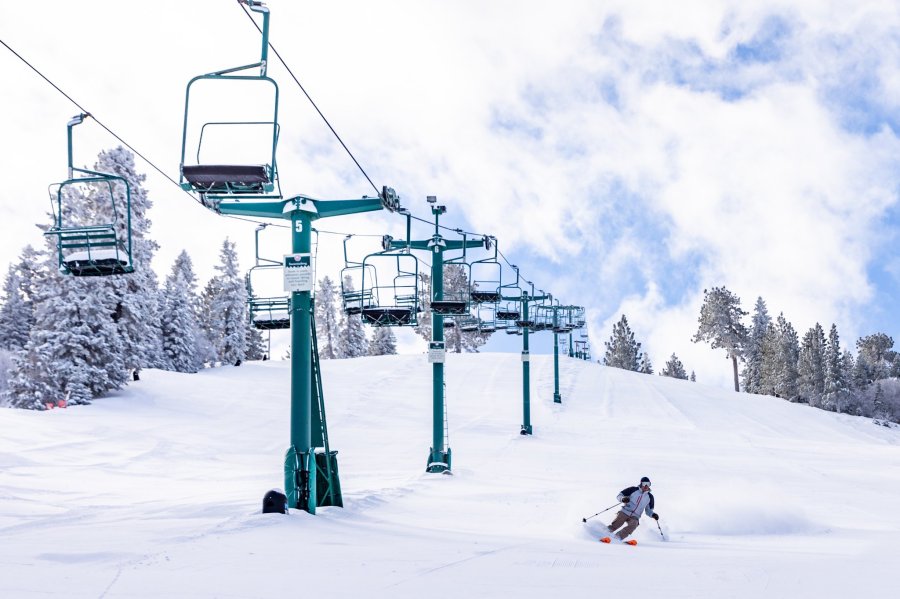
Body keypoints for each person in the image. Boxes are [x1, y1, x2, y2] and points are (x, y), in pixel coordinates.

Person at [603, 476, 659, 543]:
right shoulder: (633, 489)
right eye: (644, 484)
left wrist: (653, 514)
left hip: (635, 516)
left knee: (633, 525)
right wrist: (623, 499)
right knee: (616, 524)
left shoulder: (650, 497)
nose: (646, 486)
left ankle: (617, 538)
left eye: (648, 484)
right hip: (625, 511)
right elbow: (619, 495)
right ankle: (603, 533)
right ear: (641, 484)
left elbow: (648, 511)